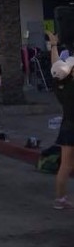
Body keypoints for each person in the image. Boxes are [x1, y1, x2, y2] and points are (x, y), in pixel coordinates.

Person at [47, 31, 74, 209]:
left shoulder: (60, 86)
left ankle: (60, 199)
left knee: (65, 165)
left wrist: (54, 46)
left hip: (67, 127)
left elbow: (56, 67)